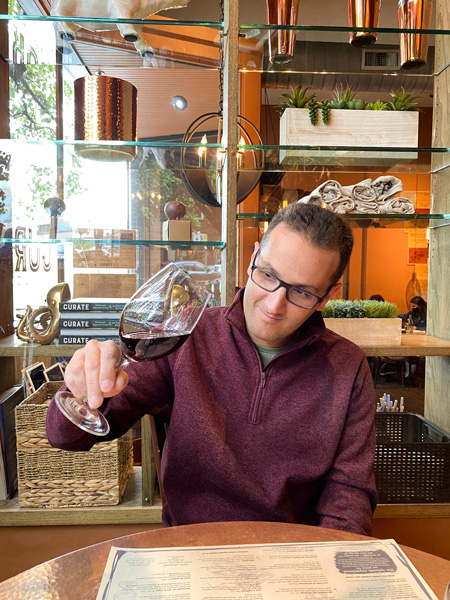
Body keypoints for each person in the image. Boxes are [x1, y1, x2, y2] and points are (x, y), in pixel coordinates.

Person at [46, 203, 377, 535]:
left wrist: (331, 570)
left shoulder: (347, 367)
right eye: (268, 275)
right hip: (190, 551)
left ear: (327, 296)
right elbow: (65, 438)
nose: (274, 305)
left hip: (288, 558)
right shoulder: (189, 337)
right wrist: (80, 390)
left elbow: (348, 494)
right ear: (253, 258)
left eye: (302, 292)